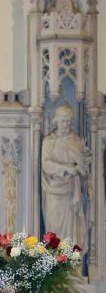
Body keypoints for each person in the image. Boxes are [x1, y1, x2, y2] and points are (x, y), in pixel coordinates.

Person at [41, 104, 89, 252]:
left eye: (69, 121)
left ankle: (71, 264)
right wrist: (68, 168)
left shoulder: (75, 140)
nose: (66, 124)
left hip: (70, 192)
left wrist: (84, 162)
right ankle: (54, 264)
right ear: (56, 121)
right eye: (63, 120)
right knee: (54, 226)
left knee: (71, 229)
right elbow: (46, 164)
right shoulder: (49, 141)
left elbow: (83, 168)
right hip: (53, 191)